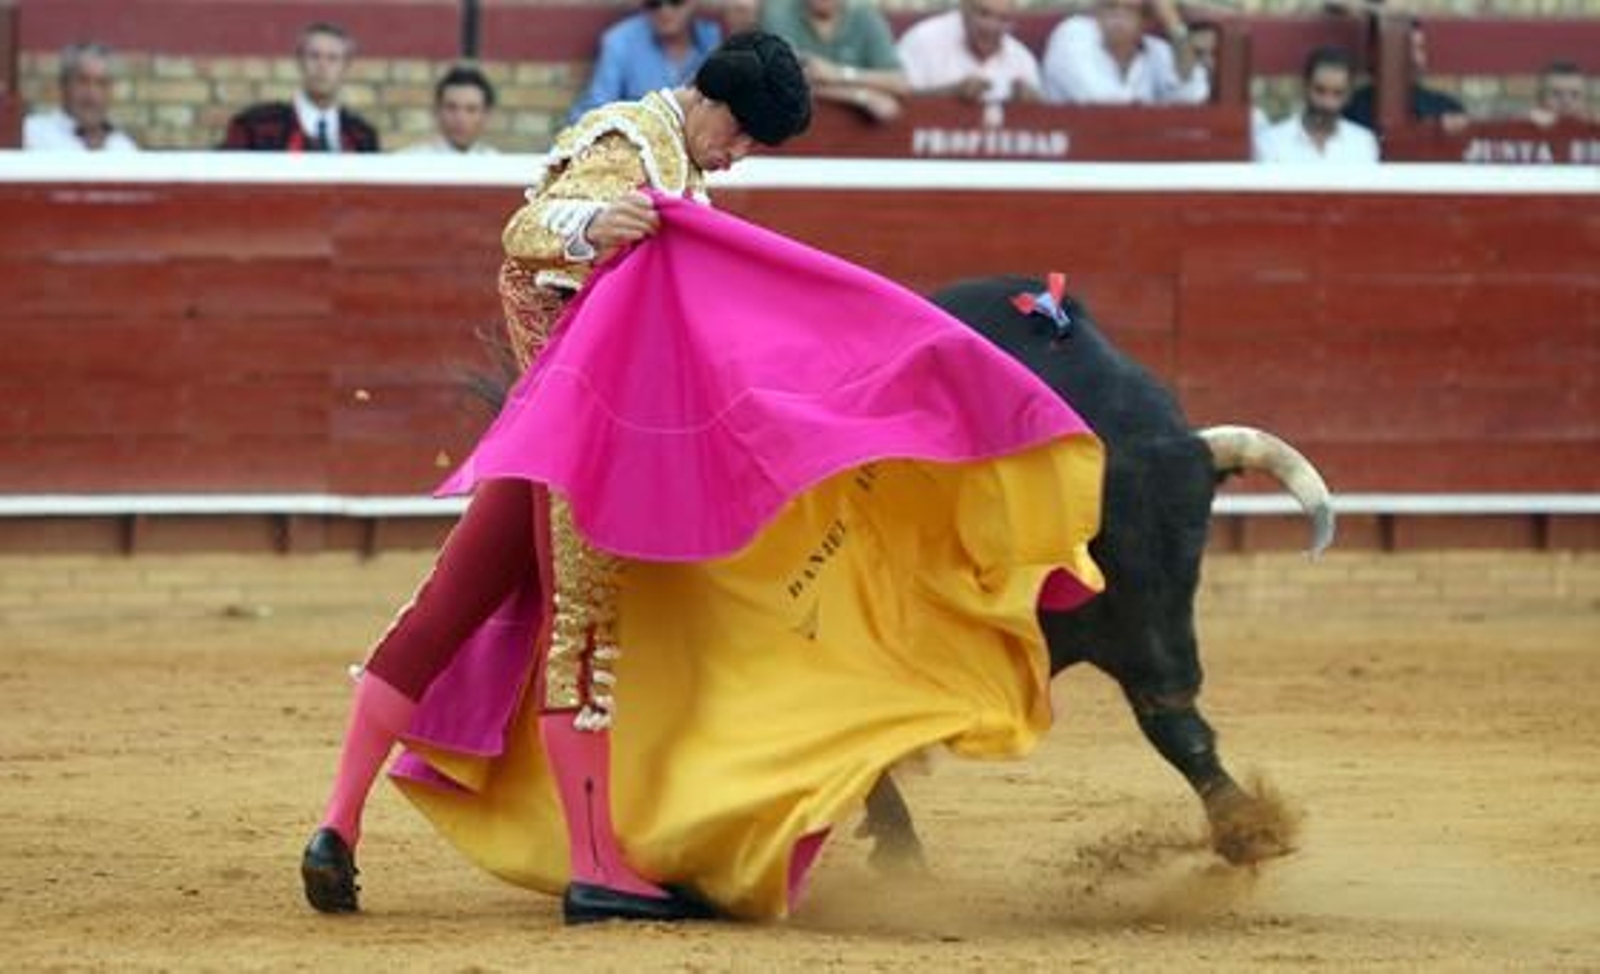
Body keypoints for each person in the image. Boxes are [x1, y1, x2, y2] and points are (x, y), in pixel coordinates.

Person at [300, 29, 1106, 926]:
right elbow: (525, 231)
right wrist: (592, 223)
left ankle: (338, 825)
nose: (743, 154)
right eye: (746, 135)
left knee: (446, 611)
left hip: (557, 434)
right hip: (586, 447)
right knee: (587, 638)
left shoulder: (682, 177)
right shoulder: (626, 142)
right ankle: (597, 868)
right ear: (715, 103)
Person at [222, 22, 380, 152]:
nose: (322, 66)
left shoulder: (362, 136)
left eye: (333, 58)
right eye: (314, 56)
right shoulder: (257, 126)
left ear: (346, 67)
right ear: (299, 62)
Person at [567, 0, 722, 123]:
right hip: (638, 147)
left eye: (676, 1)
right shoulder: (620, 41)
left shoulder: (712, 39)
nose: (665, 10)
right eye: (654, 3)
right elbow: (596, 108)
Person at [762, 0, 908, 121]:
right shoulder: (779, 14)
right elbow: (784, 82)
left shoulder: (866, 17)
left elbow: (899, 82)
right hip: (791, 134)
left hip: (854, 137)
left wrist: (840, 73)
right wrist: (860, 95)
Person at [1041, 0, 1208, 105]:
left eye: (1129, 8)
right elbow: (1102, 103)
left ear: (1144, 20)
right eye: (1111, 6)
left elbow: (1192, 94)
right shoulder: (1073, 33)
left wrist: (1174, 25)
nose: (1119, 14)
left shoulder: (1154, 49)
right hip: (1077, 153)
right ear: (1096, 12)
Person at [896, 0, 1042, 104]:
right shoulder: (923, 39)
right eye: (984, 14)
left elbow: (1047, 123)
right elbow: (898, 102)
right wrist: (950, 95)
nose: (992, 27)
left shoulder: (1022, 57)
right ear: (964, 9)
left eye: (1004, 19)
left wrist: (1032, 104)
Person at [1255, 46, 1378, 164]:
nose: (1327, 103)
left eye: (1337, 93)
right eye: (1320, 90)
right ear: (1305, 87)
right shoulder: (1271, 142)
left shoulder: (1363, 143)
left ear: (1348, 95)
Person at [1344, 19, 1466, 135]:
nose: (1417, 59)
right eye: (1406, 48)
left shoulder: (1446, 108)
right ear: (1379, 53)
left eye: (1420, 48)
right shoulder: (1352, 109)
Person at [22, 42, 139, 151]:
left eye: (101, 83)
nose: (92, 92)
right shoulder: (32, 134)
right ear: (64, 85)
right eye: (83, 81)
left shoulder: (123, 147)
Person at [403, 65, 499, 154]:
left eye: (471, 110)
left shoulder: (499, 166)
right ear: (437, 112)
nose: (460, 118)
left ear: (486, 115)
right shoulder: (408, 163)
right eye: (451, 108)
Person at [1529, 60, 1589, 127]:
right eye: (1557, 94)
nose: (1566, 102)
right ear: (1540, 99)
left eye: (1574, 95)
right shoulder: (1530, 122)